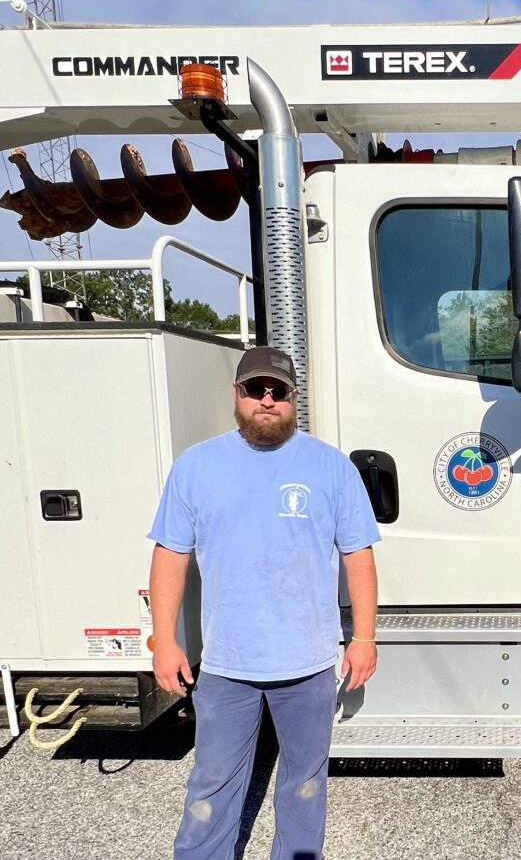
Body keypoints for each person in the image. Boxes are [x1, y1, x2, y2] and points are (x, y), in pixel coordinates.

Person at [148, 346, 381, 860]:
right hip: (228, 665)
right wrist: (164, 641)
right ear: (237, 395)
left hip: (310, 663)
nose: (267, 401)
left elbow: (358, 555)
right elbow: (170, 555)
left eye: (279, 392)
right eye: (256, 390)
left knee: (305, 785)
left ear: (294, 399)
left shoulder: (330, 467)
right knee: (211, 789)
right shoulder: (198, 466)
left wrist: (364, 637)